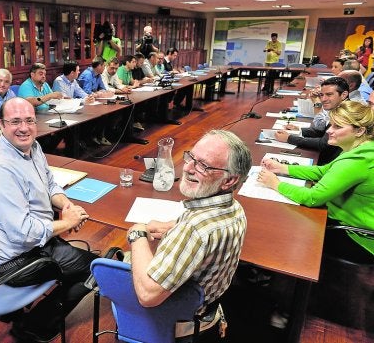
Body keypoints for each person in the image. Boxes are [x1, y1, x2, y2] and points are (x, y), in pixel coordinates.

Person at [0, 97, 98, 342]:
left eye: (29, 120)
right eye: (16, 121)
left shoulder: (32, 147)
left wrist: (67, 205)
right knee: (96, 269)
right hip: (14, 259)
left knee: (73, 255)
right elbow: (24, 233)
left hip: (28, 244)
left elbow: (50, 183)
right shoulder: (0, 168)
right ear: (1, 124)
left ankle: (16, 312)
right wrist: (69, 223)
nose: (24, 127)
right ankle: (34, 327)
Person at [127, 130, 251, 339]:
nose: (187, 168)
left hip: (176, 322)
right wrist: (174, 226)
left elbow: (147, 296)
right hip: (207, 312)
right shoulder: (235, 208)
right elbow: (203, 231)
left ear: (229, 180)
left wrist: (137, 234)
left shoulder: (195, 230)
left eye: (203, 166)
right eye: (191, 157)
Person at [258, 100, 374, 264]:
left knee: (277, 224)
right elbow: (324, 171)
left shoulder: (357, 161)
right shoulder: (362, 148)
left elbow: (313, 198)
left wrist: (276, 184)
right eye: (331, 125)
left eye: (337, 127)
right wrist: (282, 168)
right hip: (353, 224)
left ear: (360, 130)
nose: (329, 131)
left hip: (356, 237)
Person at [275, 77, 349, 164]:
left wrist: (289, 138)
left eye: (329, 95)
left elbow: (323, 144)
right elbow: (323, 131)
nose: (323, 99)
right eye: (321, 95)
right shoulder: (339, 108)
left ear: (343, 95)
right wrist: (300, 130)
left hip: (330, 164)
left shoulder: (346, 113)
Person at [77, 57, 114, 146]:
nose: (105, 68)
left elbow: (103, 89)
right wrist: (98, 93)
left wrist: (99, 93)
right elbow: (87, 92)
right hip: (83, 103)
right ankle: (89, 138)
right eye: (104, 66)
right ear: (98, 66)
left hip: (94, 101)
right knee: (101, 115)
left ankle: (98, 136)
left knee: (106, 113)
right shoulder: (88, 74)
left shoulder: (98, 75)